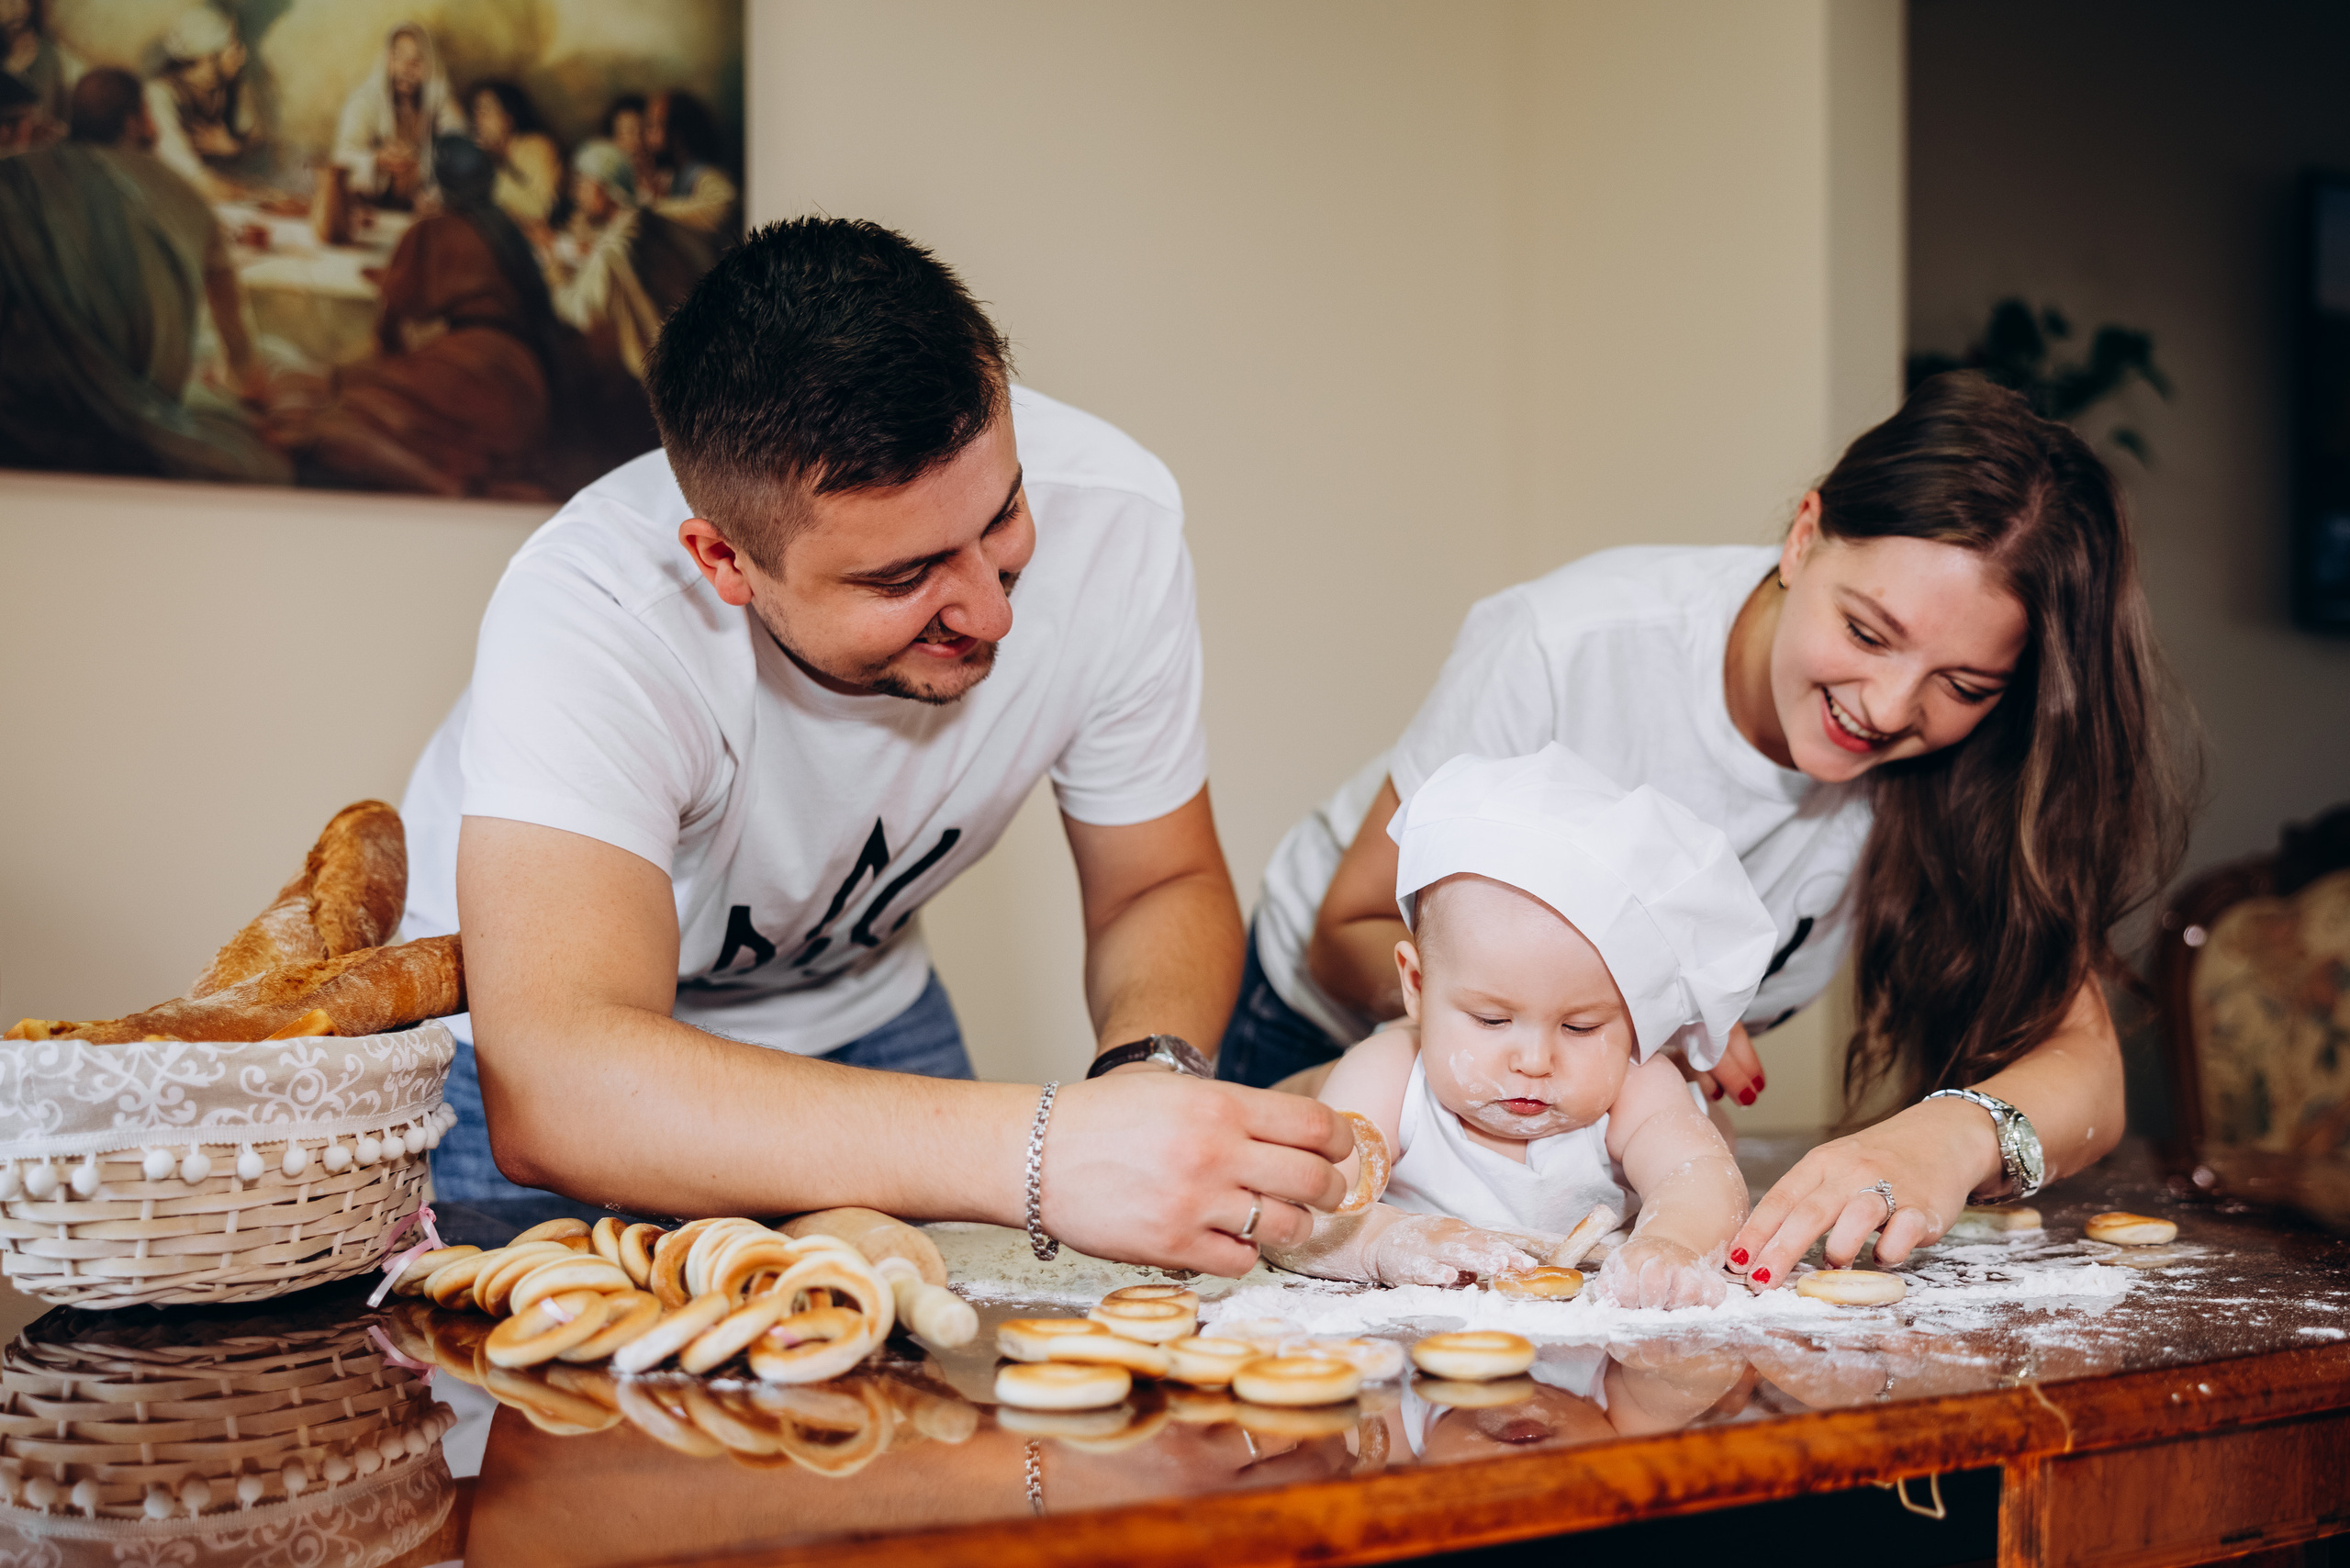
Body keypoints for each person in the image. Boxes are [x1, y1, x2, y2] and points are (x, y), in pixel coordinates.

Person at [397, 217, 1350, 1267]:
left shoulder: (1118, 518)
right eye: (903, 579)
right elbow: (561, 1085)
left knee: (931, 1392)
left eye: (1002, 518)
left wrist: (1145, 1083)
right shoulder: (595, 613)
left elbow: (1155, 882)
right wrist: (1044, 1152)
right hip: (534, 1062)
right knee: (554, 1415)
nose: (990, 613)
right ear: (725, 558)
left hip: (867, 1008)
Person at [1234, 373, 2192, 1288]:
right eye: (1866, 632)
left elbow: (2090, 1076)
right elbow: (1344, 930)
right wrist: (1593, 1000)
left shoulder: (1962, 772)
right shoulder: (1565, 646)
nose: (1890, 707)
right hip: (1323, 1033)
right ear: (1804, 536)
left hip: (1592, 1113)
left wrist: (1945, 1136)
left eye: (1965, 685)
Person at [1266, 745, 1774, 1307]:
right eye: (1492, 1019)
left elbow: (1702, 1175)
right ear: (1416, 986)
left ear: (1635, 1020)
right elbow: (1300, 1205)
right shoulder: (1389, 1074)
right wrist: (1381, 1241)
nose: (1534, 1062)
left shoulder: (1637, 1086)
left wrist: (1671, 1243)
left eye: (1580, 1027)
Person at [0, 67, 284, 481]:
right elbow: (239, 350)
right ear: (136, 121)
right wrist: (248, 389)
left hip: (25, 413)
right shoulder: (181, 193)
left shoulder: (19, 180)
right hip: (130, 412)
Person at [290, 136, 555, 498]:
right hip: (526, 382)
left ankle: (445, 486)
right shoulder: (508, 232)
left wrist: (384, 373)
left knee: (334, 422)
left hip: (472, 374)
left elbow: (388, 331)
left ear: (435, 181)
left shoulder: (432, 231)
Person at [550, 137, 712, 380]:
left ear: (606, 189)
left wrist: (557, 279)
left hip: (662, 371)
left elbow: (581, 312)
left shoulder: (613, 251)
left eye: (583, 184)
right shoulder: (644, 221)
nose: (578, 194)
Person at [144, 5, 267, 202]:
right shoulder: (161, 94)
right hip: (176, 200)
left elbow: (256, 138)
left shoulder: (229, 87)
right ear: (207, 55)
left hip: (219, 197)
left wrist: (233, 147)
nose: (243, 57)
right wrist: (258, 195)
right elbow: (188, 172)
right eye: (234, 47)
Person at [333, 21, 461, 207]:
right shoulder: (364, 101)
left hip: (422, 210)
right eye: (398, 57)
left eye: (416, 61)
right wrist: (378, 160)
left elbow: (459, 152)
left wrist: (422, 169)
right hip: (368, 209)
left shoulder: (438, 100)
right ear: (387, 59)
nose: (405, 69)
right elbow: (341, 160)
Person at [466, 79, 559, 232]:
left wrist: (497, 163)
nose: (479, 118)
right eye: (476, 111)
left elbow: (541, 210)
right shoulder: (478, 157)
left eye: (487, 110)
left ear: (508, 117)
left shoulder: (537, 148)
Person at [645, 88, 736, 239]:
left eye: (657, 125)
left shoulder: (709, 177)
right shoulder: (674, 176)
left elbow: (718, 211)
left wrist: (653, 210)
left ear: (678, 133)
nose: (649, 135)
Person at [0, 0, 75, 133]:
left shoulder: (46, 52)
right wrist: (11, 71)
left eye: (27, 2)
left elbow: (49, 113)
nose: (21, 8)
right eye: (10, 1)